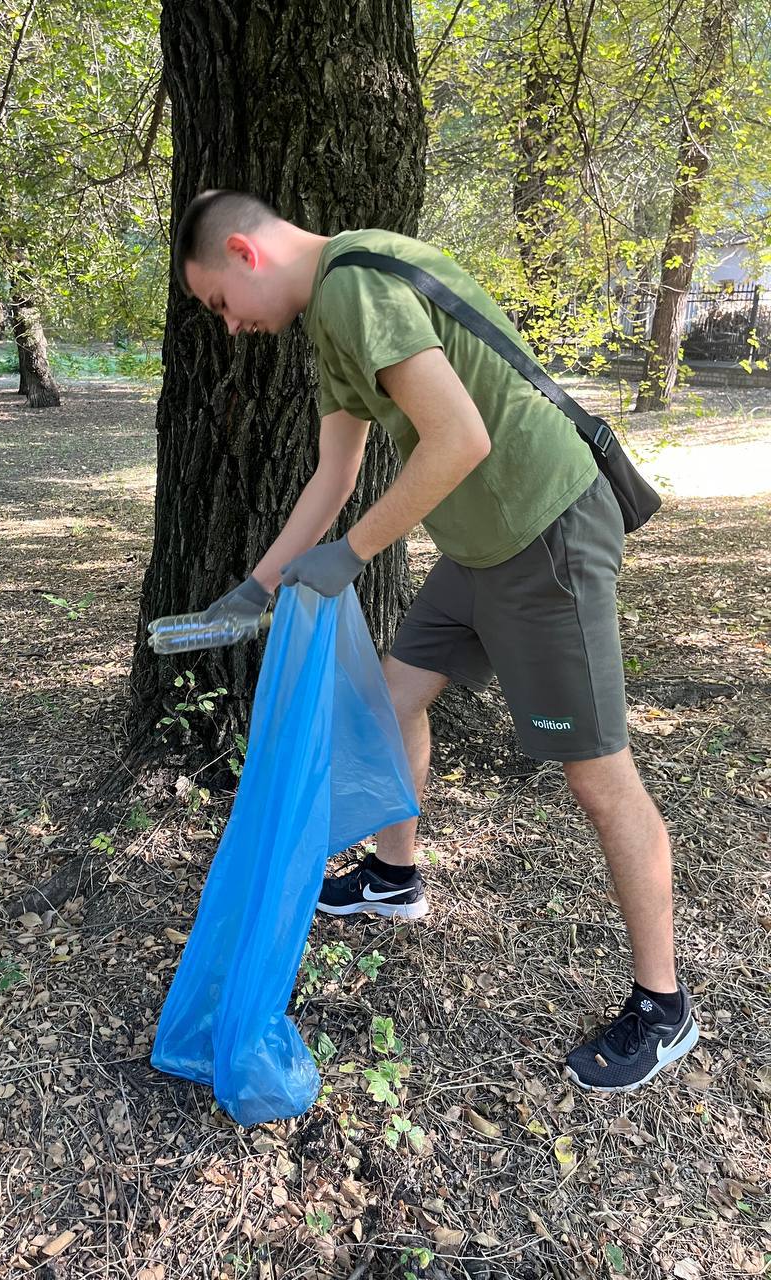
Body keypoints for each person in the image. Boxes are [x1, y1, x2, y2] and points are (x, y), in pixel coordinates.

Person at [173, 189, 699, 1093]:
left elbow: (459, 436)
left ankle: (664, 1006)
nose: (230, 328)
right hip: (478, 546)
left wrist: (351, 557)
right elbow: (334, 475)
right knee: (392, 695)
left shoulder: (351, 284)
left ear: (242, 252)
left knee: (598, 774)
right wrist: (256, 588)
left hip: (545, 534)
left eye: (219, 304)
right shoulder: (330, 322)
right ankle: (395, 875)